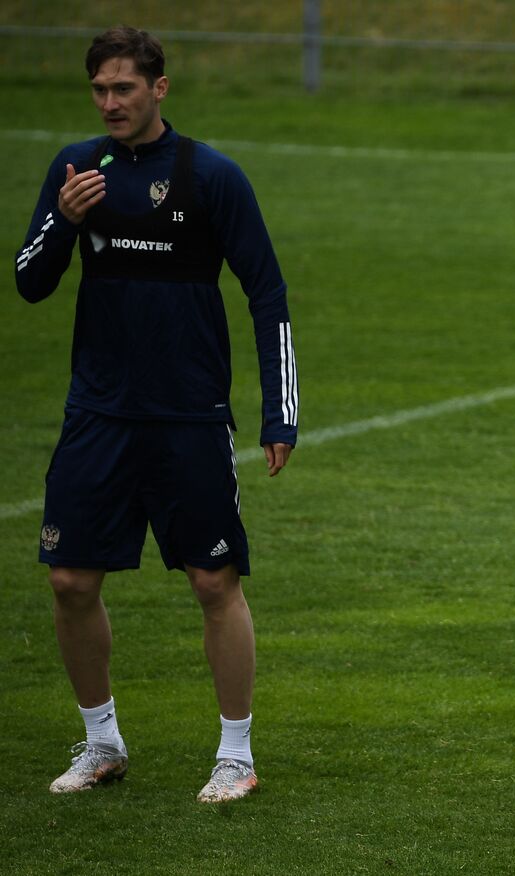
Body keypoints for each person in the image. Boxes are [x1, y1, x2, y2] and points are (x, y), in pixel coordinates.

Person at [14, 26, 298, 803]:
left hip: (189, 416)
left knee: (214, 581)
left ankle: (235, 754)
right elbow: (30, 282)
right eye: (99, 90)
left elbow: (266, 291)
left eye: (124, 89)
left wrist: (280, 413)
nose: (110, 102)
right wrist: (65, 221)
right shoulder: (75, 169)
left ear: (159, 88)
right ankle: (102, 741)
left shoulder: (211, 177)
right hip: (99, 414)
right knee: (70, 578)